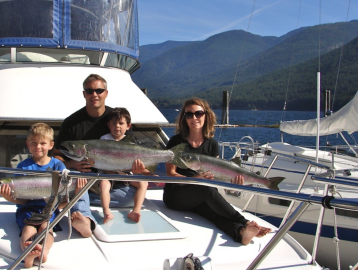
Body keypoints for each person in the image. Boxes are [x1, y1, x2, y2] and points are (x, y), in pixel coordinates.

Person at [164, 98, 271, 245]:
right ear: (184, 118)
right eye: (189, 115)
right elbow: (171, 174)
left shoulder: (212, 144)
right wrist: (197, 178)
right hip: (176, 195)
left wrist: (232, 181)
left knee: (215, 214)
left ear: (206, 115)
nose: (194, 118)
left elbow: (216, 175)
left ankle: (241, 233)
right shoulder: (176, 142)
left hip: (201, 194)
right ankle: (244, 222)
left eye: (198, 113)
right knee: (205, 189)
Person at [0, 123, 91, 267]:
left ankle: (44, 251)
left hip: (51, 209)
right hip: (27, 209)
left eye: (42, 143)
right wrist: (8, 197)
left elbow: (64, 196)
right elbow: (21, 201)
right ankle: (28, 253)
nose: (38, 147)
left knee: (47, 228)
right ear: (27, 144)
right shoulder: (22, 166)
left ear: (51, 145)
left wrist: (77, 191)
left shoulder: (59, 166)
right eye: (33, 143)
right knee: (28, 229)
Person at [53, 74, 138, 210]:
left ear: (106, 93)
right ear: (84, 94)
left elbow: (131, 150)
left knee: (130, 197)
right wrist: (72, 163)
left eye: (99, 90)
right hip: (81, 178)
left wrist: (136, 168)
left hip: (112, 179)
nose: (94, 94)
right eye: (89, 91)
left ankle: (77, 199)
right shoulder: (71, 123)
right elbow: (56, 155)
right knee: (75, 183)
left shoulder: (117, 118)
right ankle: (81, 201)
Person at [99, 107, 150, 223]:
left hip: (127, 174)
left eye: (121, 123)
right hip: (109, 174)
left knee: (143, 183)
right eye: (114, 123)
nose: (117, 126)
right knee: (103, 185)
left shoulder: (131, 144)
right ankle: (106, 211)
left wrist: (147, 172)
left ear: (128, 126)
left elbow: (139, 164)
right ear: (108, 125)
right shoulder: (103, 140)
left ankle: (136, 211)